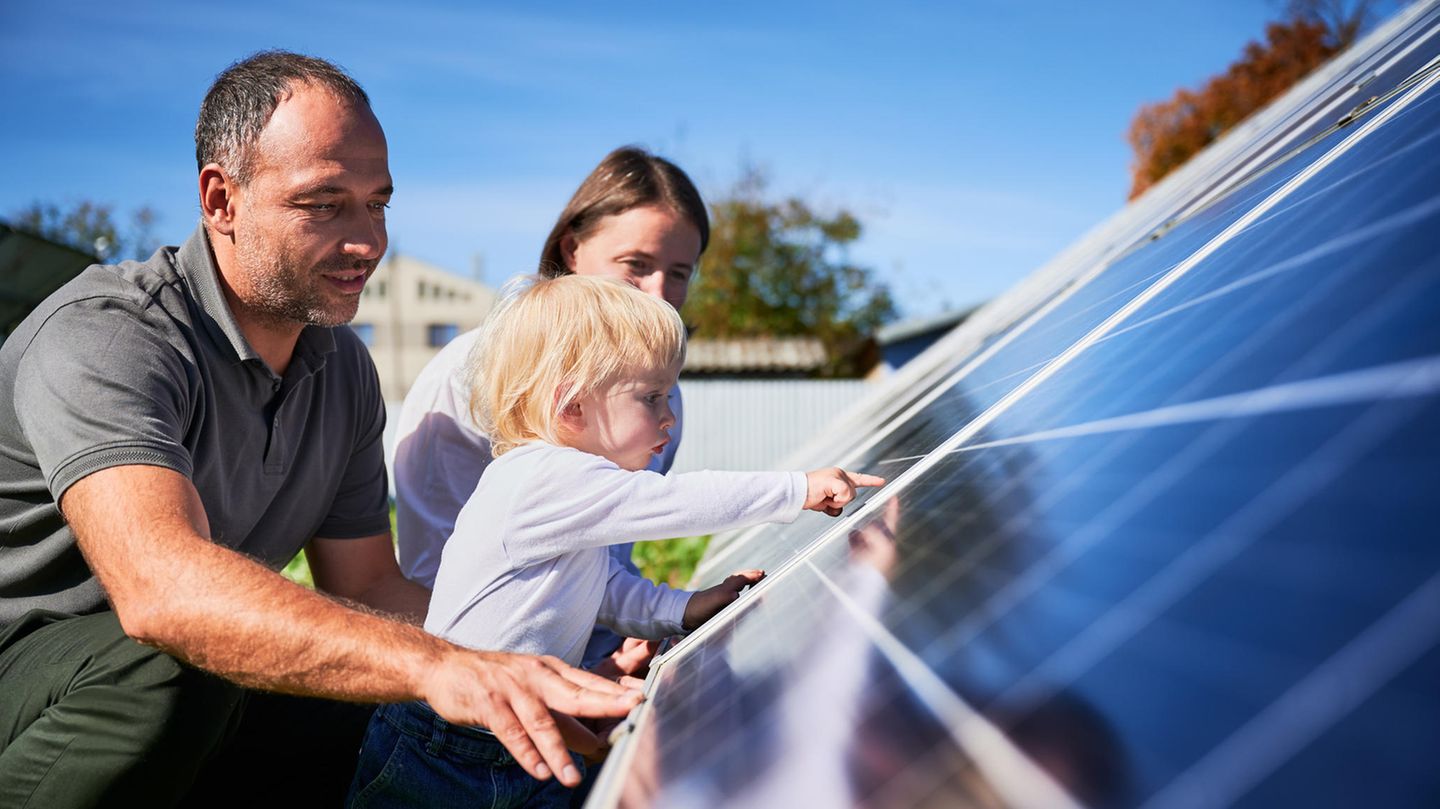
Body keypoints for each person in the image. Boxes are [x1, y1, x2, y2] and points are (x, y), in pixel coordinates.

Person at [0, 51, 637, 809]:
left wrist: (542, 663)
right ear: (221, 199)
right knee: (173, 667)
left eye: (378, 203)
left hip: (176, 698)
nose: (368, 240)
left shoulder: (340, 369)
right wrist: (440, 668)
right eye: (324, 203)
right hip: (33, 679)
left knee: (374, 703)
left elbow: (368, 586)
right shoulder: (110, 337)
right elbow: (162, 591)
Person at [347, 274, 885, 807]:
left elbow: (604, 587)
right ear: (572, 407)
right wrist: (796, 490)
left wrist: (681, 608)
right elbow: (671, 502)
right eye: (651, 397)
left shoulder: (569, 490)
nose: (669, 416)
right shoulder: (541, 477)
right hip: (443, 748)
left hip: (527, 728)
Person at [393, 145, 703, 671]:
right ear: (572, 250)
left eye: (679, 272)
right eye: (636, 265)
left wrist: (621, 641)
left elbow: (601, 562)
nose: (659, 292)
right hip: (473, 690)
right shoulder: (473, 372)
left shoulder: (661, 399)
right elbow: (431, 572)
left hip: (588, 675)